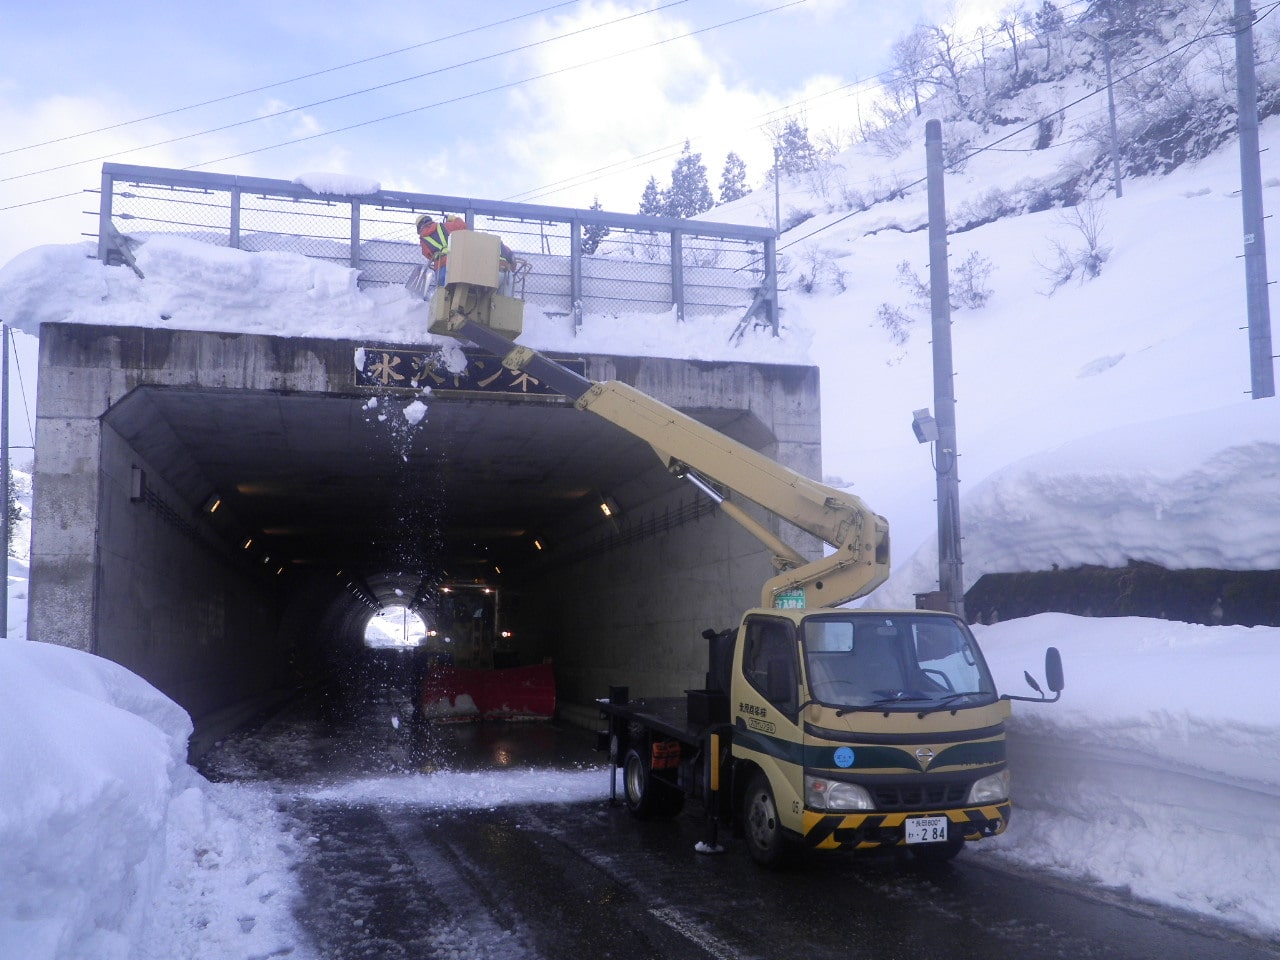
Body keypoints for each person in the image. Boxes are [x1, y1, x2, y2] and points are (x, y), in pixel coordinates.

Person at [415, 214, 468, 285]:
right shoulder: (445, 226)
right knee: (459, 287)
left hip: (440, 266)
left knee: (442, 291)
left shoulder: (423, 239)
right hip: (455, 262)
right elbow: (462, 226)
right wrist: (454, 218)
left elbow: (428, 255)